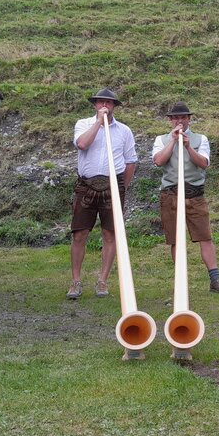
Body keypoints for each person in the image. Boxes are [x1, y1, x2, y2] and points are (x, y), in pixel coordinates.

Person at [152, 102, 219, 294]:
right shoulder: (161, 140)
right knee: (175, 240)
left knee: (205, 237)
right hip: (170, 195)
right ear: (170, 120)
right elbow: (158, 161)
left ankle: (215, 279)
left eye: (183, 117)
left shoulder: (201, 139)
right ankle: (181, 282)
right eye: (175, 118)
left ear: (189, 119)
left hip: (195, 195)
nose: (179, 121)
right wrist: (173, 141)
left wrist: (187, 147)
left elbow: (203, 163)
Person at [68, 88, 138, 300]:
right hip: (86, 185)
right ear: (95, 105)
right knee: (79, 234)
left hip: (113, 186)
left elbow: (130, 161)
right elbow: (82, 144)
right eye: (100, 102)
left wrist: (122, 187)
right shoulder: (83, 124)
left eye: (109, 103)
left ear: (114, 106)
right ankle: (75, 281)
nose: (105, 106)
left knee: (110, 234)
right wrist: (99, 122)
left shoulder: (124, 131)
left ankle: (102, 280)